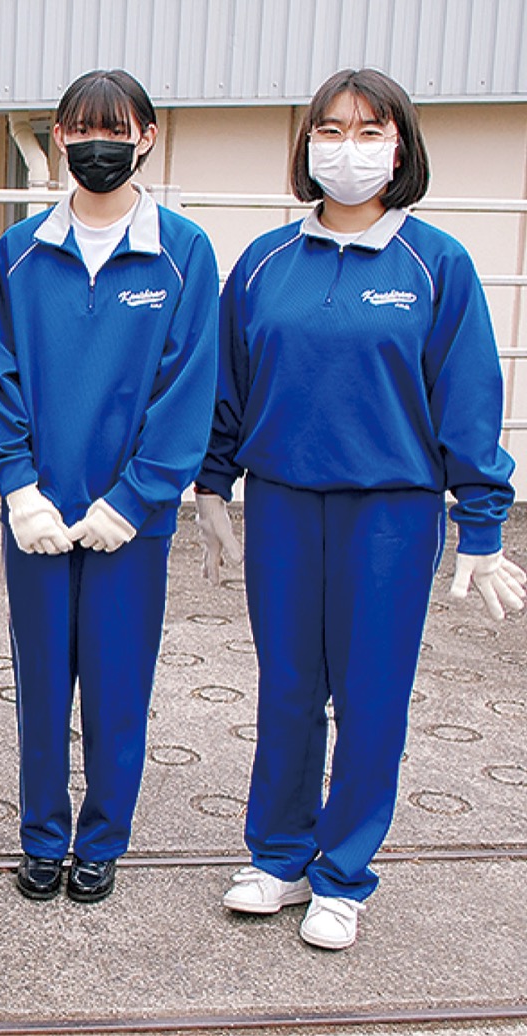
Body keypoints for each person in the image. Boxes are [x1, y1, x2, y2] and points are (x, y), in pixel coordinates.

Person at [196, 68, 524, 949]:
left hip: (391, 514)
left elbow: (468, 397)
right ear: (306, 145)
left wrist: (482, 523)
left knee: (371, 696)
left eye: (370, 132)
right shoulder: (265, 262)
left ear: (400, 148)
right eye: (331, 131)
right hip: (283, 504)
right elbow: (228, 382)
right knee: (288, 688)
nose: (349, 149)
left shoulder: (436, 264)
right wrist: (212, 486)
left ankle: (343, 875)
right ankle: (278, 856)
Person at [0, 70, 219, 903]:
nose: (97, 146)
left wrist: (137, 498)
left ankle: (103, 837)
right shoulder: (18, 251)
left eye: (115, 130)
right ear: (58, 138)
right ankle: (42, 836)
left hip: (130, 525)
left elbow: (188, 385)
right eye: (81, 130)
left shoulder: (183, 252)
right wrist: (17, 486)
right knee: (40, 684)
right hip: (38, 516)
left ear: (147, 137)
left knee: (118, 685)